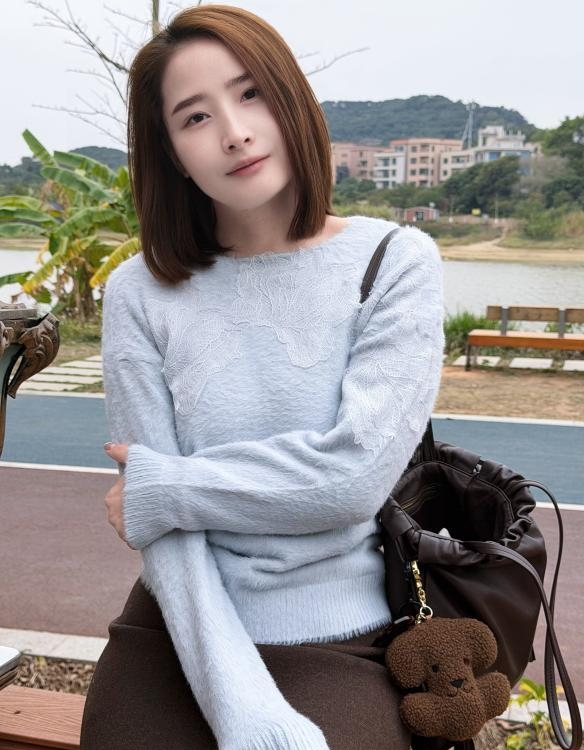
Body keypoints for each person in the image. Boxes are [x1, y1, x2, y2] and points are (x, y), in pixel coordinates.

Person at [79, 5, 444, 749]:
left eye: (251, 94)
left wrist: (166, 487)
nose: (234, 132)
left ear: (291, 99)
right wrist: (245, 710)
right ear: (172, 153)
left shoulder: (394, 262)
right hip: (175, 629)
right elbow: (168, 544)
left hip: (343, 636)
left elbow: (351, 479)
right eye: (194, 116)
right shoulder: (138, 292)